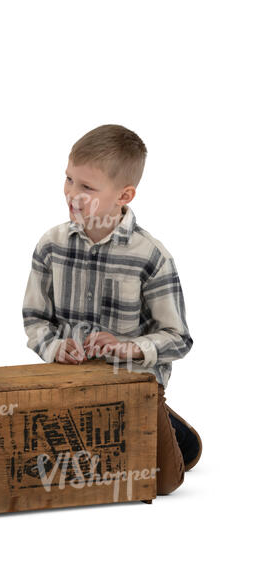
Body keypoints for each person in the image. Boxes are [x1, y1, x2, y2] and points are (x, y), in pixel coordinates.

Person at [22, 124, 201, 495]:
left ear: (125, 194)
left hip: (129, 383)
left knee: (160, 484)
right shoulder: (50, 245)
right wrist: (54, 347)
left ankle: (166, 424)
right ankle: (155, 424)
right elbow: (35, 318)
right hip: (70, 382)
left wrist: (129, 347)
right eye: (69, 180)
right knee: (45, 467)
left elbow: (178, 338)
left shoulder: (151, 257)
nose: (72, 194)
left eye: (87, 187)